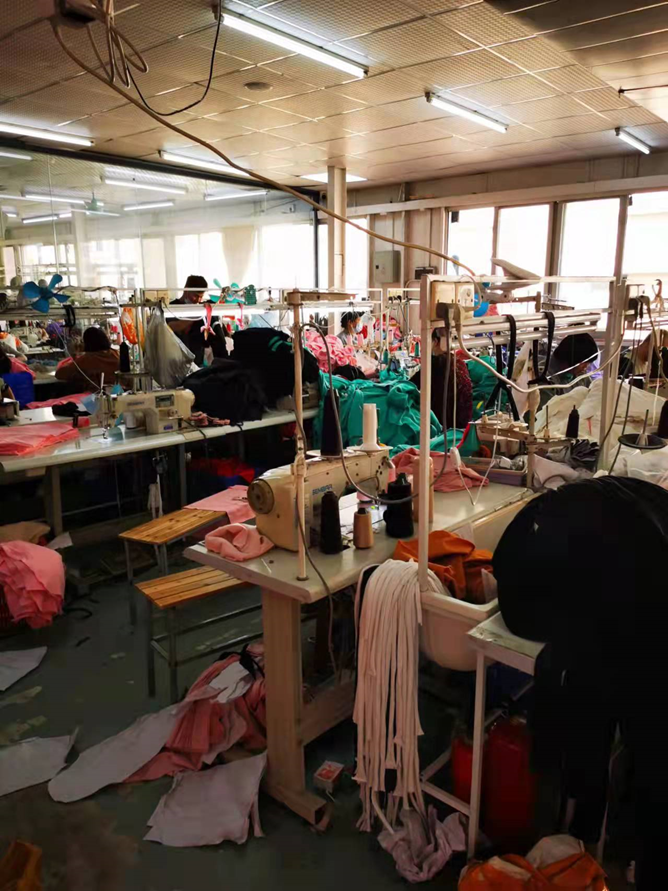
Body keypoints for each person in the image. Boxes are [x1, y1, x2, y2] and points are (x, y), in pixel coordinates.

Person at [493, 476, 668, 891]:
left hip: (651, 609)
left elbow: (539, 618)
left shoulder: (548, 541)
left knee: (654, 756)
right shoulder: (577, 508)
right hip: (649, 572)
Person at [411, 329, 472, 430]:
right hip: (463, 424)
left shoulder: (435, 363)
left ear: (435, 341)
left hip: (442, 426)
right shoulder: (460, 363)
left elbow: (411, 385)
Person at [55, 326, 119, 388]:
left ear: (87, 343)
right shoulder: (116, 354)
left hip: (96, 392)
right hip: (118, 391)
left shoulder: (87, 359)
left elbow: (59, 373)